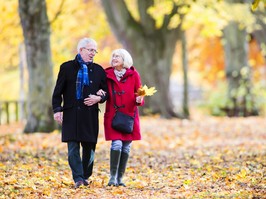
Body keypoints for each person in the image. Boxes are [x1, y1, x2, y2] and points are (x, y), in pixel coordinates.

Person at [52, 38, 108, 189]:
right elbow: (57, 92)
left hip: (90, 115)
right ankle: (78, 178)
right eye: (91, 50)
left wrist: (99, 97)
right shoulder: (66, 67)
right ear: (81, 50)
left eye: (95, 51)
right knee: (73, 149)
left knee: (89, 148)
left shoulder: (98, 70)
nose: (93, 53)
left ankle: (85, 175)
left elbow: (106, 92)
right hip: (71, 114)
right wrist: (57, 110)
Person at [98, 49, 144, 187]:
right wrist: (99, 93)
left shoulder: (134, 74)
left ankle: (120, 178)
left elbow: (139, 91)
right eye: (113, 56)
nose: (114, 58)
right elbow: (101, 90)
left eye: (118, 56)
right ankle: (112, 177)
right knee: (116, 144)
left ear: (125, 59)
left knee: (126, 147)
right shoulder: (107, 74)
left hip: (130, 115)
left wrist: (140, 99)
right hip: (113, 115)